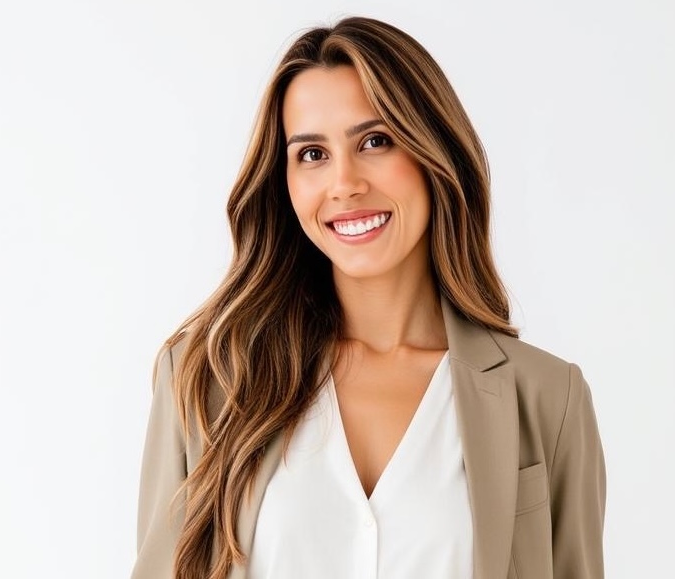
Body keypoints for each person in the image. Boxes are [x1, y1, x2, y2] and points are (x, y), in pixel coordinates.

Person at [131, 16, 606, 579]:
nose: (344, 182)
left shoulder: (547, 399)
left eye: (375, 141)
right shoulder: (206, 379)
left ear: (435, 154)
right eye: (312, 154)